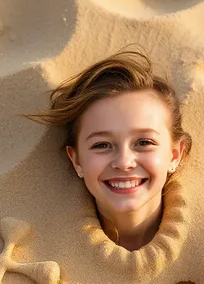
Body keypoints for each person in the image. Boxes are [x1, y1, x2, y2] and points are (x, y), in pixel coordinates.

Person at [23, 45, 191, 252]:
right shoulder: (39, 248)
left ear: (175, 155)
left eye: (144, 142)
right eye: (102, 145)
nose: (123, 162)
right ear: (76, 160)